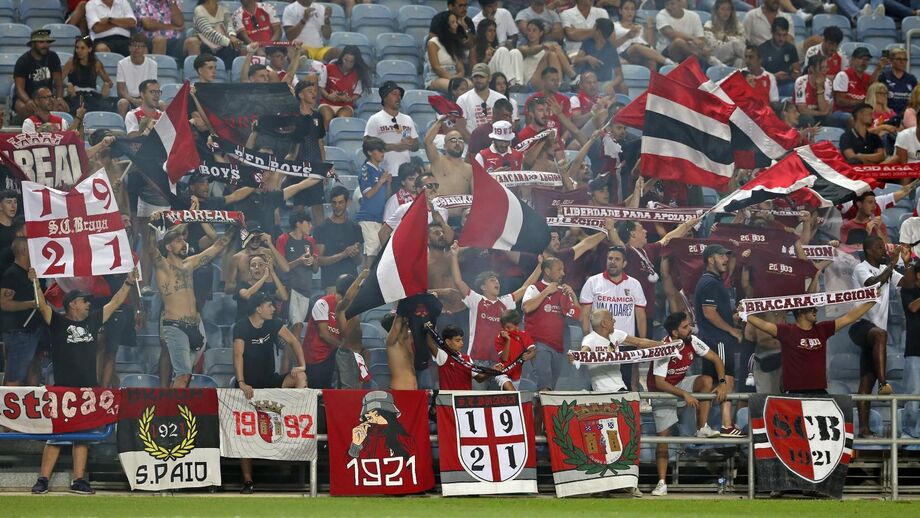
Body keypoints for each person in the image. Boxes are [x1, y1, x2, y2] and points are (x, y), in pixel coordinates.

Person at [29, 267, 135, 495]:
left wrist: (128, 283)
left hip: (88, 389)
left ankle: (79, 480)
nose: (88, 304)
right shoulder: (57, 322)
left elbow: (115, 303)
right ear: (71, 304)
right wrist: (36, 283)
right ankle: (43, 479)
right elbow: (42, 306)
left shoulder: (94, 320)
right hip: (63, 389)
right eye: (84, 301)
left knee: (82, 436)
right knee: (56, 435)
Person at [146, 221, 239, 388]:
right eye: (178, 241)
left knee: (186, 375)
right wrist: (152, 227)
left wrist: (234, 228)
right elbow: (151, 249)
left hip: (195, 326)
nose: (184, 243)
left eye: (184, 239)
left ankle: (173, 408)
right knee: (183, 374)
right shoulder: (163, 266)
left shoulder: (189, 264)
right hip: (175, 325)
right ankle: (173, 414)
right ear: (168, 247)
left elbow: (217, 246)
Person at [649, 311, 731, 497]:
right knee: (663, 439)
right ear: (675, 332)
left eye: (690, 325)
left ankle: (702, 427)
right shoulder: (664, 347)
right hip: (661, 392)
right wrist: (685, 394)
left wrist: (723, 383)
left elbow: (716, 359)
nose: (690, 329)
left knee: (706, 380)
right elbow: (660, 382)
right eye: (685, 327)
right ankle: (661, 483)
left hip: (679, 384)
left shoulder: (692, 341)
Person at [233, 291, 307, 493]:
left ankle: (296, 417)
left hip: (269, 381)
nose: (274, 309)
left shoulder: (273, 323)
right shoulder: (242, 326)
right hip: (249, 386)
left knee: (300, 377)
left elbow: (293, 341)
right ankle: (248, 481)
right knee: (244, 435)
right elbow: (238, 354)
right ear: (258, 308)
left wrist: (302, 365)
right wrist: (241, 383)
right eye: (270, 306)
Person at [744, 301, 877, 394]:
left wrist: (872, 302)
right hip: (794, 393)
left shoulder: (823, 329)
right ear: (801, 311)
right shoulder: (787, 331)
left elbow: (849, 317)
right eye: (812, 308)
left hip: (819, 391)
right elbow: (765, 326)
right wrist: (746, 315)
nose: (816, 310)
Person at [852, 238, 915, 435]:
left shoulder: (886, 268)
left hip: (876, 332)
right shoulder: (861, 268)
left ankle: (863, 428)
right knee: (881, 334)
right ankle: (884, 383)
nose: (883, 250)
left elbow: (909, 283)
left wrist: (906, 262)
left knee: (866, 379)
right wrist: (891, 263)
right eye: (880, 247)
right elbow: (872, 285)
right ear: (869, 250)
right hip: (860, 325)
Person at [450, 240, 539, 371]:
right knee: (478, 392)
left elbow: (526, 287)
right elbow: (458, 281)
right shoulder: (475, 300)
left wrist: (541, 266)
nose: (496, 282)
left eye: (497, 280)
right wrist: (454, 255)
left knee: (497, 392)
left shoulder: (505, 302)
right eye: (492, 280)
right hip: (476, 359)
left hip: (499, 361)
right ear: (483, 286)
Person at [693, 244, 743, 437]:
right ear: (710, 259)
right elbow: (709, 313)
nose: (726, 259)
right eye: (721, 256)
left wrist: (733, 317)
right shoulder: (710, 283)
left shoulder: (712, 282)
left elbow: (715, 313)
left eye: (727, 256)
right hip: (718, 340)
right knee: (726, 380)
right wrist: (733, 330)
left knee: (714, 382)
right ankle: (725, 424)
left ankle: (704, 426)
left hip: (713, 339)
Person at [521, 256, 579, 391]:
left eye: (563, 270)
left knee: (551, 387)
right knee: (544, 385)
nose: (563, 273)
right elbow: (527, 307)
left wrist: (573, 297)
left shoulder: (563, 292)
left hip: (558, 347)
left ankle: (541, 411)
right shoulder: (534, 288)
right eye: (559, 269)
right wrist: (546, 291)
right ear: (547, 271)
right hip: (539, 344)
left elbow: (577, 316)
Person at [579, 308, 662, 393]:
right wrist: (577, 356)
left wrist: (665, 345)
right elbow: (582, 354)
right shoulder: (590, 339)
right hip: (599, 391)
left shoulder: (616, 334)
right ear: (604, 323)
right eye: (611, 319)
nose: (614, 321)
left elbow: (640, 342)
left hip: (619, 388)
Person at [1, 238, 41, 387]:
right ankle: (6, 409)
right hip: (18, 333)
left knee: (32, 370)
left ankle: (32, 407)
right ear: (24, 251)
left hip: (31, 331)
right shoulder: (11, 275)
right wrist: (31, 304)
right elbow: (4, 304)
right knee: (15, 376)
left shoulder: (28, 274)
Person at [302, 273, 353, 388]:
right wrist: (345, 347)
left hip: (332, 354)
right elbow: (324, 334)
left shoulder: (349, 308)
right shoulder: (323, 303)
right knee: (316, 393)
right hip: (315, 356)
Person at [275, 212, 317, 340]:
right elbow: (280, 268)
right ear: (298, 224)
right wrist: (299, 261)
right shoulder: (283, 239)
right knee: (296, 328)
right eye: (308, 223)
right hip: (291, 290)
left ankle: (292, 360)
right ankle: (294, 360)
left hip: (306, 290)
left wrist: (313, 261)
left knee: (296, 331)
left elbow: (315, 269)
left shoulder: (310, 241)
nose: (311, 226)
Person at [364, 81, 419, 178]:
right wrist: (395, 146)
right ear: (385, 97)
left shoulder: (407, 119)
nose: (398, 97)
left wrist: (409, 144)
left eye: (399, 95)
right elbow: (367, 146)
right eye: (394, 94)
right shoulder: (375, 119)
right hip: (383, 174)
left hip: (405, 176)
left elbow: (416, 146)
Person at [315, 185, 363, 293]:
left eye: (341, 202)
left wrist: (355, 254)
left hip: (352, 283)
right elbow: (319, 260)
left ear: (347, 203)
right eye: (334, 202)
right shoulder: (322, 228)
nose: (337, 206)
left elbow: (358, 261)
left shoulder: (356, 228)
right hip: (331, 283)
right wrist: (343, 254)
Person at [14, 29, 68, 118]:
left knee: (63, 108)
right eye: (41, 42)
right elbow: (19, 89)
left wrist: (59, 99)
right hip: (28, 97)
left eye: (47, 42)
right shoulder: (23, 61)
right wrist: (28, 101)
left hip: (47, 96)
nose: (45, 45)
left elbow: (59, 84)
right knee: (24, 107)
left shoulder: (53, 57)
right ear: (33, 44)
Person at [355, 137, 390, 268]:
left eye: (383, 150)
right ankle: (365, 283)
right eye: (379, 150)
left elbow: (386, 197)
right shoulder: (365, 169)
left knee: (377, 252)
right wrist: (381, 181)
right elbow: (368, 194)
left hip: (379, 218)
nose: (382, 153)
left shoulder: (381, 171)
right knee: (371, 253)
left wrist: (388, 183)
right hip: (368, 217)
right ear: (369, 152)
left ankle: (366, 282)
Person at [319, 45, 370, 129]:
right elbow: (321, 86)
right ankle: (323, 139)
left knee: (342, 121)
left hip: (345, 105)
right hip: (327, 102)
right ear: (341, 58)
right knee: (327, 118)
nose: (348, 64)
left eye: (351, 62)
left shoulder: (358, 74)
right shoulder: (329, 68)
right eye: (346, 60)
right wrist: (328, 96)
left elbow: (357, 94)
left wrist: (348, 99)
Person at [613, 0, 672, 71]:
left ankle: (653, 81)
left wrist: (650, 28)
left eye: (632, 9)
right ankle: (670, 63)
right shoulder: (615, 25)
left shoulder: (640, 27)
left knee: (651, 62)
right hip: (625, 53)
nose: (630, 12)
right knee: (636, 47)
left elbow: (650, 46)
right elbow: (611, 46)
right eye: (626, 9)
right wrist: (627, 36)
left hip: (641, 54)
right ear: (620, 11)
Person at [63, 36, 114, 114]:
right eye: (77, 48)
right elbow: (58, 81)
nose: (79, 51)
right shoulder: (71, 62)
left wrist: (106, 85)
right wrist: (67, 85)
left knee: (104, 107)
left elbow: (109, 82)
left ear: (89, 49)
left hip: (91, 95)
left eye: (82, 48)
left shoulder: (96, 63)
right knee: (78, 106)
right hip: (75, 95)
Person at [424, 116, 473, 196]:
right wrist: (440, 121)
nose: (457, 143)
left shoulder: (470, 169)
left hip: (462, 208)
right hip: (441, 207)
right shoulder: (438, 162)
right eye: (453, 140)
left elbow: (474, 196)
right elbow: (427, 142)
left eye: (460, 140)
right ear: (445, 146)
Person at [457, 63, 509, 134]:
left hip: (497, 142)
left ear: (489, 78)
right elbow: (460, 127)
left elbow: (506, 124)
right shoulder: (463, 99)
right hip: (472, 142)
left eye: (482, 77)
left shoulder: (501, 98)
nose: (478, 80)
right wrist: (473, 143)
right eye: (476, 77)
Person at [116, 33, 158, 117]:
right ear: (129, 48)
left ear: (145, 49)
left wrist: (144, 100)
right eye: (134, 45)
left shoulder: (153, 64)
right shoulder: (122, 63)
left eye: (140, 46)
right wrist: (134, 100)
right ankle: (124, 129)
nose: (137, 48)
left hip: (146, 97)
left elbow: (153, 88)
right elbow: (121, 90)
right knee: (122, 103)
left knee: (161, 104)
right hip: (128, 98)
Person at [833, 46, 885, 114]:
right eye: (861, 59)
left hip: (862, 113)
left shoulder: (868, 77)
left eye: (867, 60)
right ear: (852, 60)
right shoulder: (843, 75)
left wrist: (879, 67)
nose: (864, 62)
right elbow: (839, 101)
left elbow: (873, 88)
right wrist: (861, 102)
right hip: (843, 112)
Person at [573, 18, 624, 87]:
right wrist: (587, 58)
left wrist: (611, 85)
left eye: (594, 27)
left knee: (623, 87)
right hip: (586, 81)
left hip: (603, 83)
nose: (592, 29)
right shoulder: (588, 42)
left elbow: (619, 76)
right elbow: (576, 62)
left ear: (598, 31)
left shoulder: (611, 49)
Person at [494, 310, 537, 390]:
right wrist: (508, 340)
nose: (505, 330)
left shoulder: (523, 335)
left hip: (516, 375)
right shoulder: (499, 338)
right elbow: (504, 358)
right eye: (503, 327)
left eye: (508, 327)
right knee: (512, 393)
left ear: (517, 326)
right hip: (502, 373)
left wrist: (529, 356)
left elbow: (533, 351)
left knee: (512, 399)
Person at [427, 11, 467, 93]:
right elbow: (436, 68)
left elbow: (461, 69)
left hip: (455, 76)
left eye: (456, 22)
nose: (456, 25)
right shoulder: (433, 43)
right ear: (445, 26)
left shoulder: (455, 43)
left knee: (470, 85)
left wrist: (458, 78)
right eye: (452, 22)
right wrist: (453, 79)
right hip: (437, 77)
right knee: (456, 88)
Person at [194, 0, 242, 68]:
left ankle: (228, 76)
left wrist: (232, 36)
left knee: (233, 49)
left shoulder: (223, 9)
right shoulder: (199, 9)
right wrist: (228, 42)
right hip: (206, 44)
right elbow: (208, 32)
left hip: (223, 44)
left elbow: (229, 25)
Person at [757, 17, 798, 96]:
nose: (781, 39)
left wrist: (790, 76)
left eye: (784, 35)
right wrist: (773, 76)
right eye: (779, 35)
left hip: (787, 85)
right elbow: (757, 75)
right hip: (768, 86)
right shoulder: (762, 49)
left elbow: (797, 72)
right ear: (772, 32)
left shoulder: (791, 48)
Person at [793, 54, 834, 127]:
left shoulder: (828, 83)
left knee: (831, 119)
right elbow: (802, 110)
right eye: (822, 68)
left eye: (826, 67)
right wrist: (821, 113)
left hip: (818, 115)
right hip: (801, 116)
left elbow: (825, 109)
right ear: (812, 68)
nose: (825, 71)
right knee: (808, 120)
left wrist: (820, 88)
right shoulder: (801, 81)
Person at [704, 0, 746, 68]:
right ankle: (755, 64)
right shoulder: (709, 24)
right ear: (717, 10)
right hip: (716, 54)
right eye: (723, 9)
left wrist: (725, 39)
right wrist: (728, 40)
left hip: (734, 56)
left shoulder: (738, 25)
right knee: (734, 44)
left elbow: (742, 42)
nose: (725, 12)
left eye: (728, 9)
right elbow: (713, 45)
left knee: (740, 61)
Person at [881, 47, 918, 116]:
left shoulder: (912, 79)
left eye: (904, 59)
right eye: (898, 59)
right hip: (888, 115)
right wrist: (879, 67)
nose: (902, 62)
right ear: (891, 61)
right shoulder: (884, 76)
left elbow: (916, 99)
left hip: (907, 116)